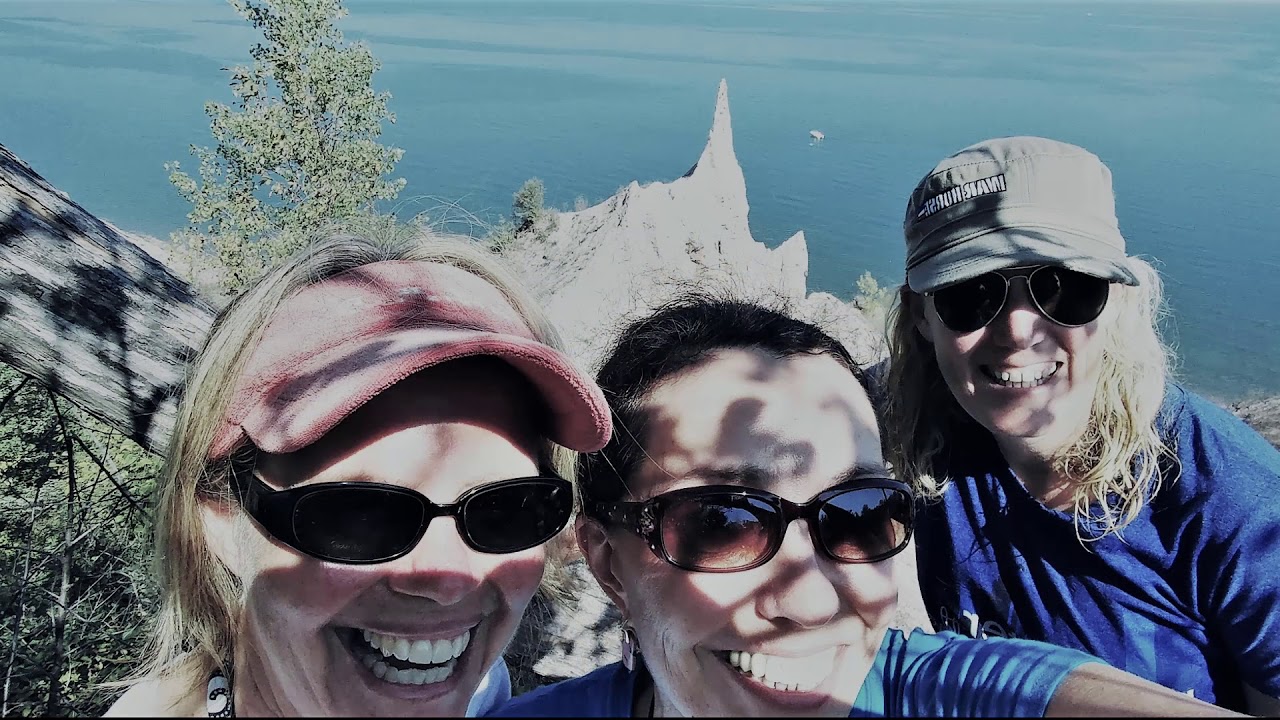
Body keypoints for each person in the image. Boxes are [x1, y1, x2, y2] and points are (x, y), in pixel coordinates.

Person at [489, 296, 1237, 717]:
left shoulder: (945, 699)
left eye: (857, 512)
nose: (812, 598)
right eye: (722, 522)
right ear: (606, 564)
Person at [105, 228, 612, 717]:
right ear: (219, 513)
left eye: (507, 510)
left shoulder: (483, 690)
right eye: (359, 516)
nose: (448, 582)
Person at [880, 135, 1280, 714]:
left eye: (1064, 288)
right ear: (921, 314)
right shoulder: (910, 444)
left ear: (1116, 301)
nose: (1019, 331)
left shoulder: (1237, 506)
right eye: (971, 292)